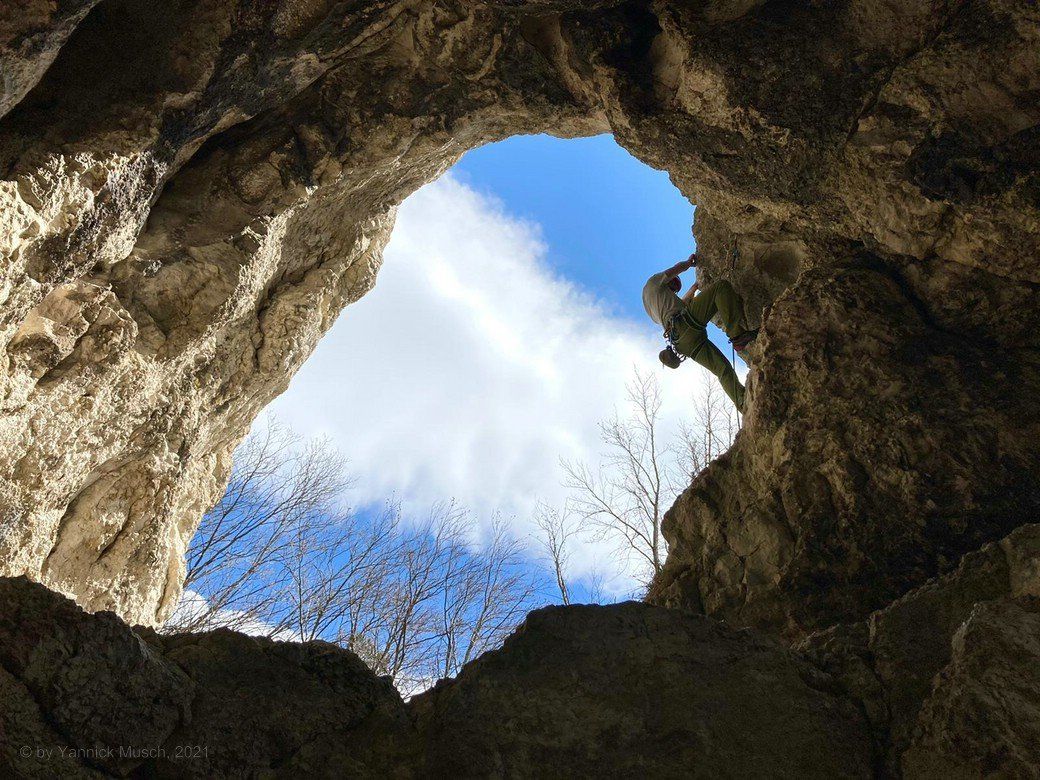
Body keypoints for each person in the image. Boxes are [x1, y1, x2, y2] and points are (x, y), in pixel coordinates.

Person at [642, 252, 756, 411]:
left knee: (722, 369)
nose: (674, 292)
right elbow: (676, 269)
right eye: (674, 288)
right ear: (669, 283)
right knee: (720, 288)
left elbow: (682, 303)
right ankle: (737, 335)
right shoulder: (653, 282)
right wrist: (689, 263)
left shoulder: (653, 308)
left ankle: (743, 403)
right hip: (685, 324)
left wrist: (695, 287)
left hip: (682, 343)